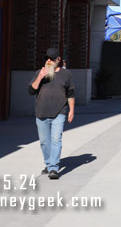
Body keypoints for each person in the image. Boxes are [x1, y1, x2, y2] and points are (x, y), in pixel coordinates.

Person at [28, 48, 75, 180]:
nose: (49, 61)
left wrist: (71, 110)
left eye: (52, 59)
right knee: (44, 142)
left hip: (59, 111)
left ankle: (53, 167)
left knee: (56, 140)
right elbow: (31, 91)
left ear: (58, 60)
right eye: (47, 58)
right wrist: (40, 77)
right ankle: (49, 164)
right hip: (41, 111)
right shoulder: (40, 73)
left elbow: (70, 93)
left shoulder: (66, 74)